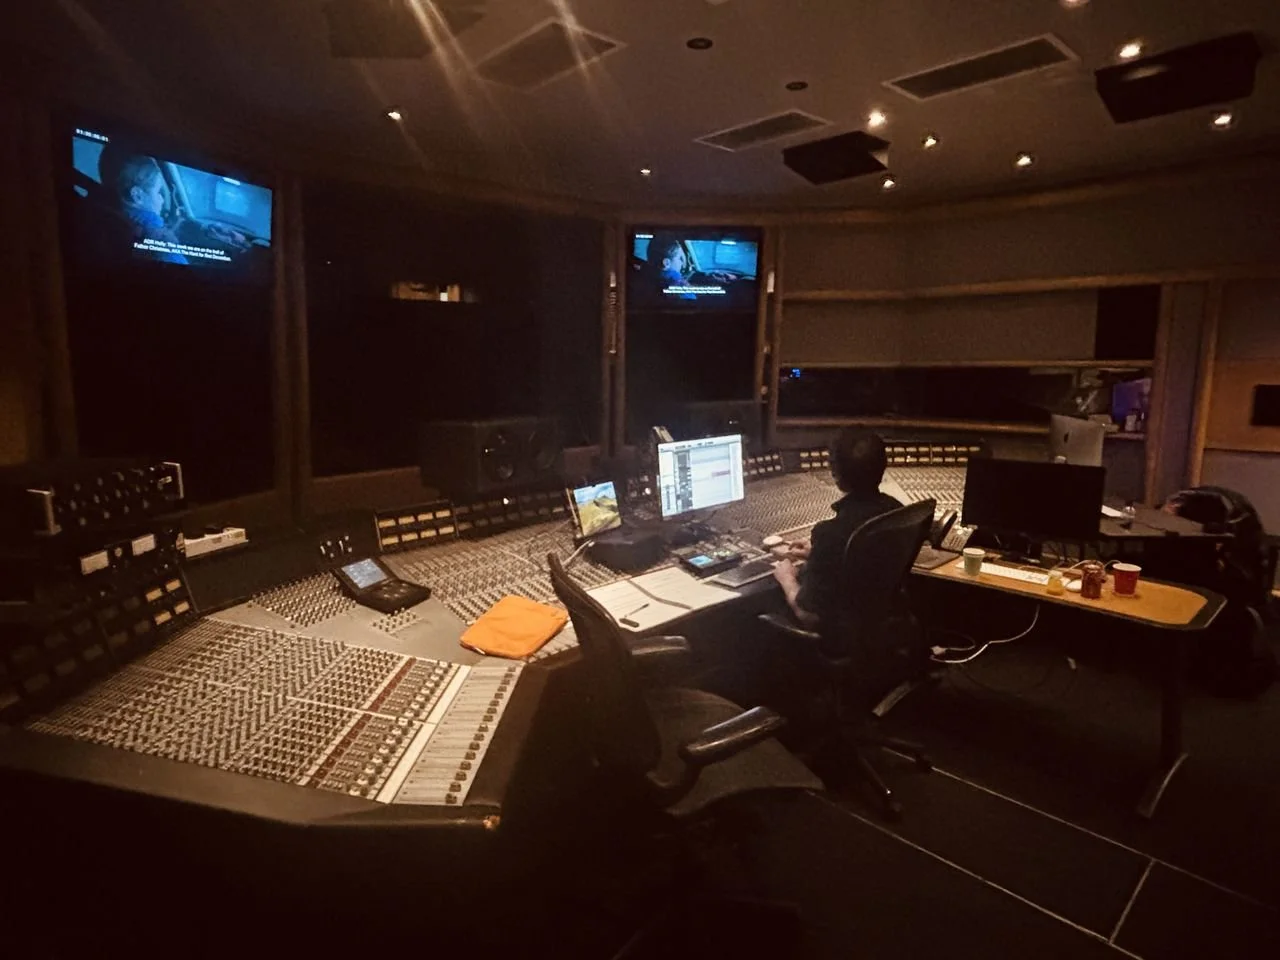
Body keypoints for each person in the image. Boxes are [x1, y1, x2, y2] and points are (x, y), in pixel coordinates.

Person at [772, 429, 901, 627]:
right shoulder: (898, 512)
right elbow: (867, 565)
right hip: (888, 626)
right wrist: (818, 554)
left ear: (835, 473)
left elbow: (809, 615)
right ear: (884, 465)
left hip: (841, 635)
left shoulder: (830, 534)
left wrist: (787, 578)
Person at [111, 154, 188, 264]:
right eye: (158, 192)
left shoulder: (116, 220)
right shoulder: (156, 236)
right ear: (137, 195)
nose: (162, 199)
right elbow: (182, 269)